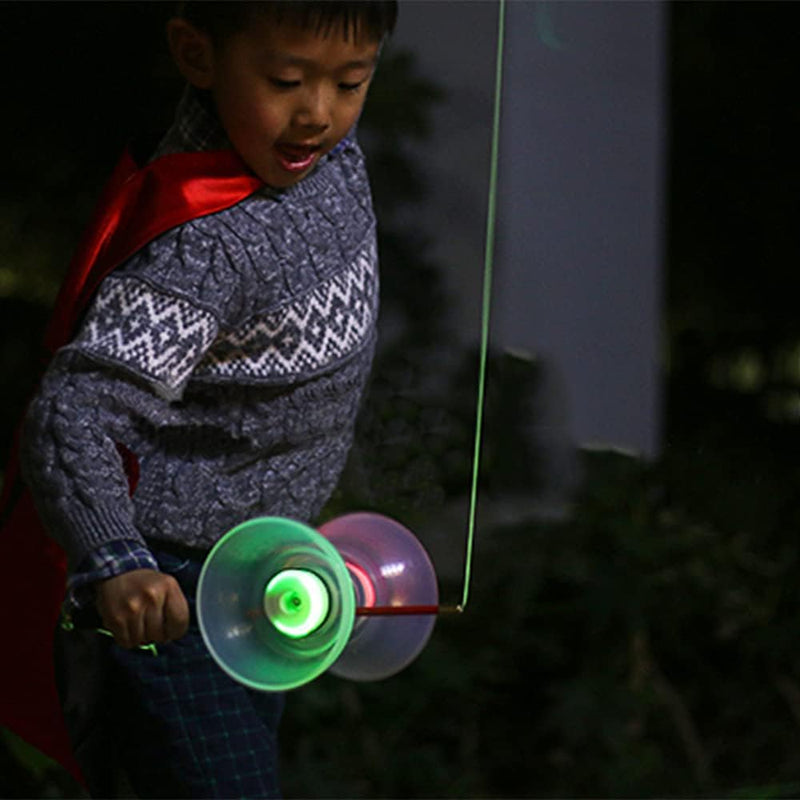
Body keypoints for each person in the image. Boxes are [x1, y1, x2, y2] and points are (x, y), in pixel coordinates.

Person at [15, 1, 398, 797]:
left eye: (351, 82)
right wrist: (116, 561)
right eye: (285, 80)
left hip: (267, 574)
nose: (318, 115)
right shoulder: (202, 251)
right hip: (177, 594)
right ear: (197, 55)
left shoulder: (329, 161)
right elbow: (71, 413)